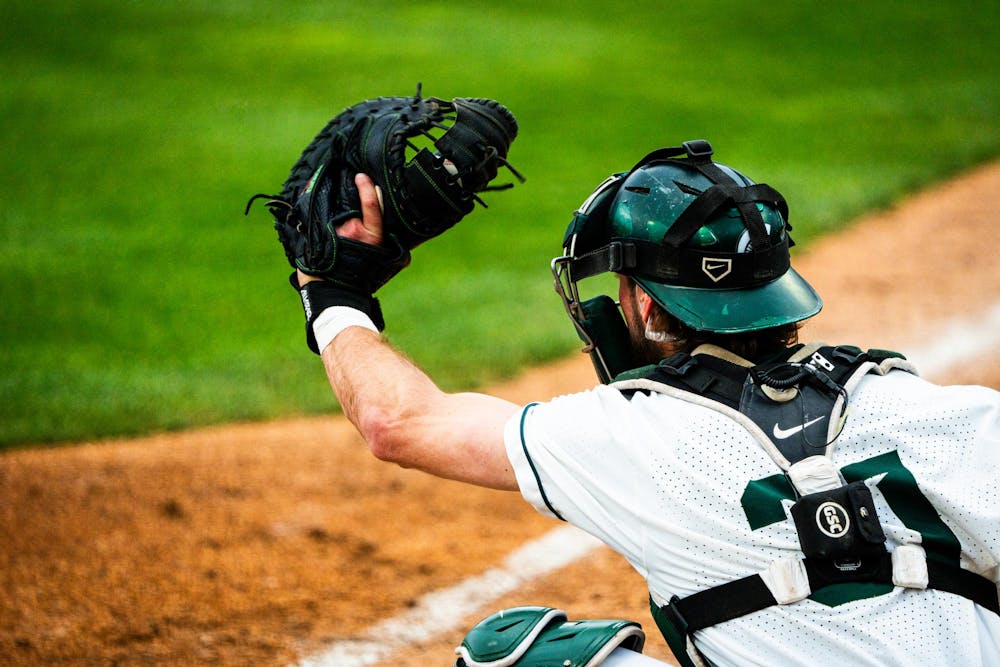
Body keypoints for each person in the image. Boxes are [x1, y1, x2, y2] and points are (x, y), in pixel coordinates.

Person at [293, 142, 1000, 666]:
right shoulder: (941, 411)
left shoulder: (628, 435)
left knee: (513, 656)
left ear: (645, 303)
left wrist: (332, 290)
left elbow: (399, 422)